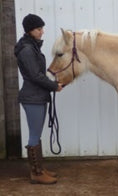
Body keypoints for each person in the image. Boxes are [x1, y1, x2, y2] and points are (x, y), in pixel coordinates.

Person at [14, 13, 63, 184]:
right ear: (30, 30)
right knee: (34, 135)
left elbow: (38, 74)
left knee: (37, 134)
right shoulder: (27, 50)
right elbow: (35, 76)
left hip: (37, 96)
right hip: (32, 97)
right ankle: (36, 174)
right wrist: (54, 86)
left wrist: (53, 82)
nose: (42, 32)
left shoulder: (31, 47)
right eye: (39, 29)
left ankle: (39, 169)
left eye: (42, 28)